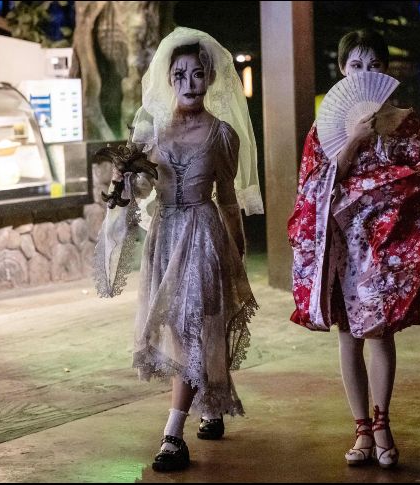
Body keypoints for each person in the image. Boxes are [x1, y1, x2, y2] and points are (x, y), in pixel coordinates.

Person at [94, 27, 264, 472]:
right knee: (178, 326)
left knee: (199, 322)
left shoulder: (223, 134)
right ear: (170, 80)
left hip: (205, 232)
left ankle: (173, 433)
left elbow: (227, 196)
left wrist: (237, 247)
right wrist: (125, 184)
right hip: (166, 234)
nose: (189, 82)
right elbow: (141, 190)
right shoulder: (153, 133)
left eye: (197, 74)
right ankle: (209, 402)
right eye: (181, 75)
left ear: (209, 78)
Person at [288, 28, 420, 469]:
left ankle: (383, 422)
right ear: (342, 71)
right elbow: (312, 187)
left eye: (373, 66)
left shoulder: (406, 122)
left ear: (386, 71)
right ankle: (361, 428)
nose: (364, 74)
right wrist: (356, 139)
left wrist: (384, 190)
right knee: (347, 334)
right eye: (355, 66)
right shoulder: (324, 128)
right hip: (342, 244)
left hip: (383, 244)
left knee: (378, 331)